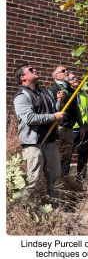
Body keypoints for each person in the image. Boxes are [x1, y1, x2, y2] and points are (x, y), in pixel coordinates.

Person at [13, 63, 66, 202]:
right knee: (32, 181)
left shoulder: (44, 92)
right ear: (23, 77)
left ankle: (54, 211)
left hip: (50, 143)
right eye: (31, 70)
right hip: (33, 144)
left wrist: (59, 102)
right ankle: (22, 210)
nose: (35, 70)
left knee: (55, 182)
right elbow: (30, 118)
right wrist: (54, 117)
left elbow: (54, 110)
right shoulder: (21, 96)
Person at [48, 66, 85, 177]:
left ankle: (61, 183)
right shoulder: (51, 91)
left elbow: (76, 109)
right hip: (58, 128)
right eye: (63, 71)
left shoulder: (71, 90)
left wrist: (81, 125)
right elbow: (51, 110)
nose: (66, 72)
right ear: (57, 76)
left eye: (66, 70)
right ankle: (52, 183)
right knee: (55, 158)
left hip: (69, 129)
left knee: (66, 158)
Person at [65, 73, 88, 180]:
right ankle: (64, 179)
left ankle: (80, 179)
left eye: (76, 77)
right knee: (68, 157)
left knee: (83, 156)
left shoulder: (84, 93)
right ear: (68, 81)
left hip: (84, 129)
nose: (76, 79)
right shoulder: (69, 94)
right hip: (72, 129)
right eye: (73, 78)